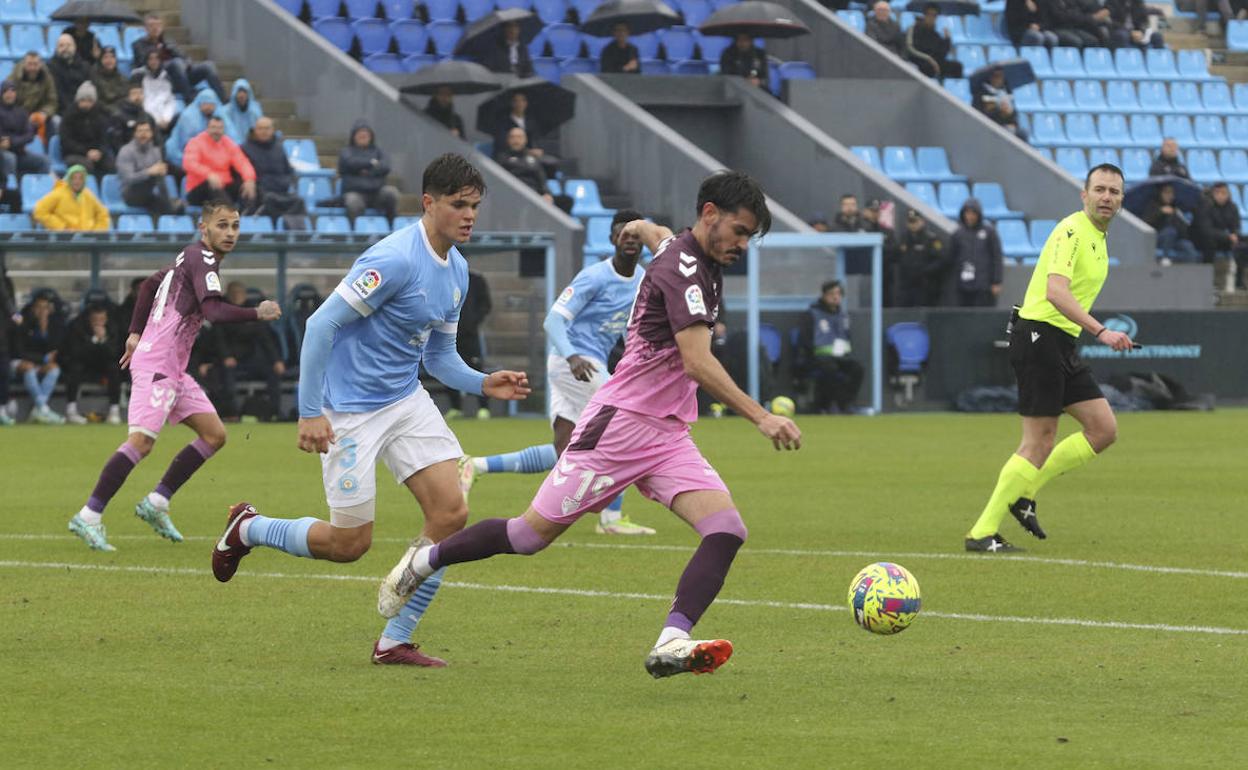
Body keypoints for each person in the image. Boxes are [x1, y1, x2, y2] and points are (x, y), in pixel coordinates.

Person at [369, 171, 800, 679]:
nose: (744, 244)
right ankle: (423, 563)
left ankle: (672, 641)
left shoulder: (682, 250)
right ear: (710, 214)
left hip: (666, 435)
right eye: (741, 231)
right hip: (618, 429)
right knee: (528, 537)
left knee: (726, 528)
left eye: (751, 236)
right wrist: (761, 415)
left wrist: (637, 227)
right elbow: (696, 362)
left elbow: (658, 234)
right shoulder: (685, 271)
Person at [210, 154, 531, 669]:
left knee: (451, 513)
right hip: (349, 411)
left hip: (405, 400)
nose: (469, 215)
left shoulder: (459, 271)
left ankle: (394, 640)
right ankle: (248, 528)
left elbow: (439, 357)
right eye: (458, 205)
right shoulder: (394, 259)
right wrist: (310, 412)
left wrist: (482, 382)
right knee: (348, 543)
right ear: (428, 204)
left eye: (474, 205)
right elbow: (319, 327)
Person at [66, 199, 284, 552]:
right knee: (141, 442)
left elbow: (150, 284)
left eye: (235, 226)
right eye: (222, 225)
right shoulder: (204, 259)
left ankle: (157, 503)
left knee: (214, 434)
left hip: (172, 366)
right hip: (158, 366)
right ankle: (89, 516)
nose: (230, 233)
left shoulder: (189, 256)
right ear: (204, 228)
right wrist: (255, 313)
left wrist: (136, 331)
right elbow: (212, 310)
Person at [964, 164, 1133, 553]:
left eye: (1114, 192)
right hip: (1039, 335)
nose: (1107, 197)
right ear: (1084, 195)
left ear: (1122, 200)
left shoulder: (1098, 237)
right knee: (1038, 441)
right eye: (1100, 189)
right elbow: (1056, 292)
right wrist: (1101, 330)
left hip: (1060, 341)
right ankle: (981, 532)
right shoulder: (1072, 230)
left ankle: (1026, 494)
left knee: (1103, 429)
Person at [460, 209, 657, 536]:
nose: (631, 241)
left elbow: (628, 330)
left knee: (562, 450)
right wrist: (573, 356)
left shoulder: (642, 282)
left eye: (637, 236)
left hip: (588, 366)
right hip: (574, 364)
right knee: (626, 423)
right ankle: (611, 518)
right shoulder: (594, 276)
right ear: (611, 239)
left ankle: (475, 465)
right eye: (624, 234)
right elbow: (553, 321)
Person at [212, 281, 286, 421]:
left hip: (250, 358)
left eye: (240, 294)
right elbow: (219, 339)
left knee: (273, 371)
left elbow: (266, 339)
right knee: (225, 374)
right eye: (234, 294)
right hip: (231, 358)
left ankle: (274, 412)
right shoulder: (223, 312)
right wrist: (226, 356)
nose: (237, 297)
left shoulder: (253, 312)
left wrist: (276, 360)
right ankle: (232, 413)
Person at [796, 280, 864, 414]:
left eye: (838, 294)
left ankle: (846, 404)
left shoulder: (843, 315)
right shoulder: (812, 314)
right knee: (829, 369)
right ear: (824, 295)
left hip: (841, 356)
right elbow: (805, 339)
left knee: (858, 368)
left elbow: (847, 336)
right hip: (818, 356)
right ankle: (827, 405)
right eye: (832, 293)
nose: (835, 297)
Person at [131, 12, 226, 103]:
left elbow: (185, 58)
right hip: (161, 80)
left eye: (158, 25)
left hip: (181, 76)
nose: (155, 28)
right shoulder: (138, 45)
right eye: (152, 25)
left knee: (208, 66)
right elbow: (143, 63)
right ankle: (189, 98)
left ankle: (223, 100)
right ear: (145, 28)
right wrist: (157, 50)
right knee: (176, 63)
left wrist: (186, 63)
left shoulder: (168, 42)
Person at [62, 303, 124, 425]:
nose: (98, 323)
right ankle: (71, 410)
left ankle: (114, 411)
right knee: (75, 368)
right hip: (84, 364)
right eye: (95, 320)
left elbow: (115, 353)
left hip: (104, 365)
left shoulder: (113, 328)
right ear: (89, 319)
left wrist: (103, 339)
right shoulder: (78, 327)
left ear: (106, 319)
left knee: (114, 369)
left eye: (102, 319)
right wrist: (95, 340)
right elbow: (76, 352)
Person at [443, 270, 492, 420]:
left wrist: (473, 322)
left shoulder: (475, 280)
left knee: (476, 368)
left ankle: (483, 408)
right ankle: (456, 407)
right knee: (447, 368)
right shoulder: (443, 279)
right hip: (448, 334)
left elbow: (486, 304)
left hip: (470, 335)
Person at [182, 115, 258, 208]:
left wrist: (249, 179)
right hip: (198, 189)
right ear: (207, 128)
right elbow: (189, 163)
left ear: (224, 129)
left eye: (220, 128)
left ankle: (250, 215)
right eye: (213, 127)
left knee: (248, 187)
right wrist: (208, 174)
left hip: (223, 187)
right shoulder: (195, 142)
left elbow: (242, 162)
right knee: (213, 187)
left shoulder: (228, 143)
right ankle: (231, 216)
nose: (216, 131)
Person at [241, 116, 307, 223]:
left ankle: (298, 234)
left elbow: (288, 170)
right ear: (254, 130)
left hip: (281, 190)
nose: (264, 131)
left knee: (299, 201)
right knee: (270, 200)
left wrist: (287, 181)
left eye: (267, 128)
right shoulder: (245, 148)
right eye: (260, 128)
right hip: (261, 192)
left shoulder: (279, 147)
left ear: (272, 130)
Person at [14, 293, 66, 424]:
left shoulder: (54, 325)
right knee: (29, 369)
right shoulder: (24, 323)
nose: (42, 311)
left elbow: (54, 349)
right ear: (33, 309)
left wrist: (44, 329)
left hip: (39, 363)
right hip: (19, 362)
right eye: (39, 307)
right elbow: (20, 351)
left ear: (50, 310)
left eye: (45, 308)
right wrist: (42, 359)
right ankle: (43, 408)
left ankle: (39, 408)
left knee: (54, 369)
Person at [117, 118, 182, 217]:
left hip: (149, 194)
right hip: (130, 194)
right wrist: (149, 172)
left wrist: (166, 199)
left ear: (151, 133)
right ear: (135, 134)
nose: (144, 134)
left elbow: (161, 180)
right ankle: (169, 205)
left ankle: (169, 211)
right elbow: (128, 178)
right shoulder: (126, 151)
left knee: (177, 208)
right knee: (152, 178)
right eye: (140, 131)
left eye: (147, 131)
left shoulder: (156, 151)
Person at [338, 120, 399, 222]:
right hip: (355, 192)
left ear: (371, 136)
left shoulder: (379, 151)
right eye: (360, 133)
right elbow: (350, 163)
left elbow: (385, 166)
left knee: (391, 192)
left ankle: (391, 228)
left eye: (366, 133)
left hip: (377, 193)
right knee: (352, 201)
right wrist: (371, 163)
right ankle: (356, 234)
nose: (363, 135)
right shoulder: (346, 151)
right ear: (353, 136)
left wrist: (367, 171)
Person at [950, 197, 1004, 307]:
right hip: (963, 285)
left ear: (978, 214)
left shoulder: (989, 232)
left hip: (984, 286)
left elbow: (997, 257)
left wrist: (996, 281)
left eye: (973, 213)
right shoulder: (958, 234)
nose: (970, 216)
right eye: (967, 213)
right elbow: (951, 258)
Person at [1193, 182, 1246, 288]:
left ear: (1228, 194)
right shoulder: (1206, 206)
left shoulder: (1232, 207)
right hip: (1203, 239)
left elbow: (1235, 226)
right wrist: (1227, 237)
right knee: (1209, 242)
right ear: (1213, 194)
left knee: (1243, 244)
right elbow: (1206, 230)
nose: (1221, 196)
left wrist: (1235, 235)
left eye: (1224, 193)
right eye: (1217, 193)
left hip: (1223, 238)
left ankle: (1239, 282)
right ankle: (1207, 280)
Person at [60, 82, 115, 176]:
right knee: (87, 166)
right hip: (74, 154)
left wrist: (100, 152)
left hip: (95, 153)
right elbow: (66, 141)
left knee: (111, 165)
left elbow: (104, 139)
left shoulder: (99, 116)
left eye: (90, 101)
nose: (86, 104)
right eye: (83, 100)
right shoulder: (69, 116)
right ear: (78, 100)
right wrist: (86, 152)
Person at [33, 164, 110, 231]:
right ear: (69, 179)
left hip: (86, 240)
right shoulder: (59, 193)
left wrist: (97, 232)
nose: (77, 181)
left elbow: (102, 213)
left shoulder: (88, 194)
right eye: (74, 178)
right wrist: (62, 227)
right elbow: (39, 210)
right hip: (64, 240)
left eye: (80, 178)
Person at [896, 209, 948, 307]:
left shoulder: (931, 238)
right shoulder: (903, 238)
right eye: (910, 221)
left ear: (922, 221)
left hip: (925, 285)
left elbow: (942, 259)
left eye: (915, 221)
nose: (913, 224)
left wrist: (925, 270)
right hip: (907, 286)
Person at [0, 81, 51, 179]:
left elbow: (29, 135)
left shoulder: (21, 112)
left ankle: (39, 191)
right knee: (10, 158)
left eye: (12, 90)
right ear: (1, 94)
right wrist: (16, 141)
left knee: (44, 161)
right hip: (3, 154)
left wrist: (11, 142)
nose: (10, 94)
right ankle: (12, 192)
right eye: (6, 91)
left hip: (19, 152)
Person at [1143, 183, 1199, 266]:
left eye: (1171, 193)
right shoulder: (1152, 205)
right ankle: (1165, 258)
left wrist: (1175, 215)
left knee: (1188, 246)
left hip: (1175, 240)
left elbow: (1184, 230)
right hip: (1157, 238)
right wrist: (1160, 212)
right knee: (1170, 231)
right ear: (1160, 193)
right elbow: (1145, 223)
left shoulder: (1177, 208)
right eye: (1166, 193)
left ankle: (1187, 272)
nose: (1169, 195)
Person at [164, 88, 221, 169]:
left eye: (211, 104)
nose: (209, 107)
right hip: (181, 154)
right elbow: (187, 144)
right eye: (206, 103)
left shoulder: (217, 115)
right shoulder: (189, 117)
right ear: (199, 103)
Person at [9, 53, 59, 141]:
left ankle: (49, 150)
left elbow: (52, 101)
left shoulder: (47, 78)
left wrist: (44, 113)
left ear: (40, 64)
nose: (32, 68)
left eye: (35, 64)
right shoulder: (13, 78)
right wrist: (23, 116)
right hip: (18, 114)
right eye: (29, 64)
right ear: (24, 64)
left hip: (39, 115)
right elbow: (7, 101)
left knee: (56, 121)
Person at [906, 4, 963, 80]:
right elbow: (913, 50)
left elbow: (942, 54)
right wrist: (929, 59)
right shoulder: (915, 29)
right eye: (929, 14)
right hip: (920, 61)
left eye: (934, 15)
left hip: (935, 63)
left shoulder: (935, 34)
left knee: (957, 67)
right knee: (928, 67)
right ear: (925, 15)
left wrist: (947, 39)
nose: (931, 17)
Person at [974, 65, 1028, 141]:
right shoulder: (981, 95)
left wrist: (1011, 115)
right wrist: (999, 111)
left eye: (1001, 76)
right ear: (990, 77)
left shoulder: (1006, 92)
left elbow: (1014, 114)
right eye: (996, 76)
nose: (998, 79)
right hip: (989, 127)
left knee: (1022, 133)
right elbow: (979, 115)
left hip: (1006, 127)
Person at [134, 50, 178, 137]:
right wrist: (156, 120)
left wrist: (166, 118)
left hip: (165, 119)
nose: (154, 62)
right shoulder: (140, 77)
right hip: (149, 118)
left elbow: (170, 100)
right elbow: (144, 102)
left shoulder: (166, 77)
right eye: (151, 59)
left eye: (156, 59)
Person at [48, 34, 92, 118]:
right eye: (61, 45)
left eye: (68, 45)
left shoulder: (85, 67)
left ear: (75, 47)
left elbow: (88, 91)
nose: (65, 48)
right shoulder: (50, 68)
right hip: (58, 112)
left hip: (82, 110)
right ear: (56, 49)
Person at [113, 83, 159, 150]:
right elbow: (116, 142)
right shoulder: (119, 117)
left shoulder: (149, 117)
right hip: (128, 154)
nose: (138, 96)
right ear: (128, 97)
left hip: (149, 154)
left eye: (140, 93)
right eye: (134, 93)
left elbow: (157, 139)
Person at [221, 78, 263, 144]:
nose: (242, 95)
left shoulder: (255, 110)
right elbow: (227, 130)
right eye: (239, 91)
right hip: (231, 147)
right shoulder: (226, 111)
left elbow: (260, 130)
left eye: (244, 92)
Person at [90, 47, 128, 112]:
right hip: (101, 112)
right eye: (105, 57)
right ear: (100, 60)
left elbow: (125, 98)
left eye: (112, 57)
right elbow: (96, 100)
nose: (109, 60)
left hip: (120, 112)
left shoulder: (123, 78)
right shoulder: (94, 78)